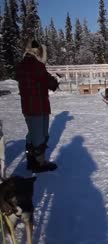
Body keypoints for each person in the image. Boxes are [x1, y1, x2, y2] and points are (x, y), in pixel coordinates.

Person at [15, 40, 59, 172]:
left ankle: (31, 160)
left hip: (27, 107)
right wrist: (55, 81)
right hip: (38, 106)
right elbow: (50, 83)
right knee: (40, 135)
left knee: (32, 134)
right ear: (38, 52)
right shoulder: (36, 65)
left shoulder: (21, 65)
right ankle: (39, 163)